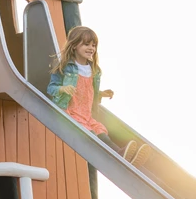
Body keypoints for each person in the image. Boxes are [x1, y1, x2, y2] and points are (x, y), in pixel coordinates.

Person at [47, 26, 138, 159]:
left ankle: (121, 153)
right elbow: (51, 87)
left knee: (100, 130)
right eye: (86, 44)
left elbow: (87, 91)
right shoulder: (66, 67)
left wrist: (101, 94)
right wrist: (62, 89)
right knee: (92, 135)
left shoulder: (94, 70)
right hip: (70, 112)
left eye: (94, 45)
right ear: (74, 46)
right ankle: (117, 154)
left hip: (86, 114)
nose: (91, 48)